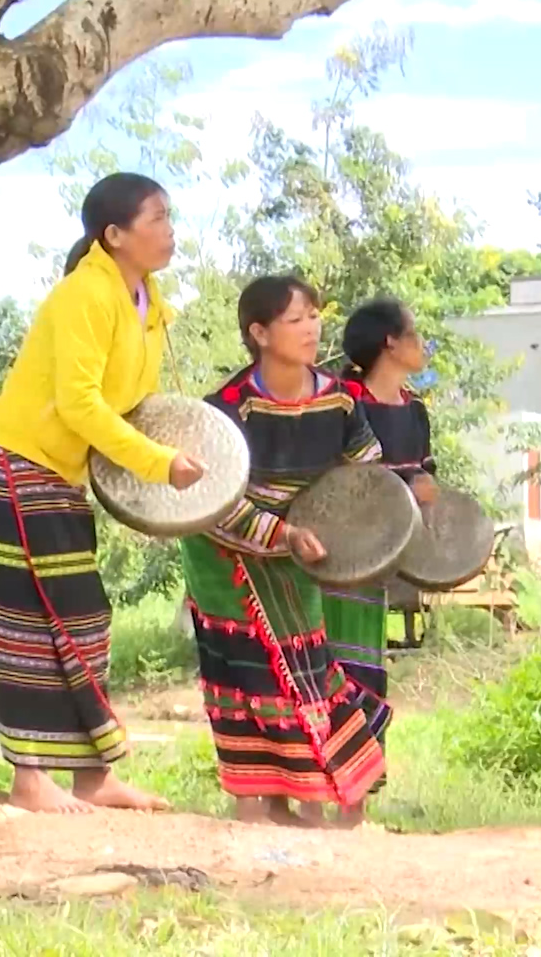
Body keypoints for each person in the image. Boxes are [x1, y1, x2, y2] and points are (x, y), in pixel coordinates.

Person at [0, 173, 205, 815]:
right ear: (115, 235)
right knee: (24, 620)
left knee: (84, 617)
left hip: (58, 473)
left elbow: (131, 404)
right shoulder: (85, 295)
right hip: (13, 462)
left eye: (169, 215)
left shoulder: (145, 301)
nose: (170, 228)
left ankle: (96, 776)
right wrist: (157, 464)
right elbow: (79, 404)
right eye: (156, 218)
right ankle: (29, 776)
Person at [176, 275, 390, 828]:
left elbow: (365, 473)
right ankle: (259, 804)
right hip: (227, 554)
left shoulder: (339, 398)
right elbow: (210, 500)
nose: (311, 328)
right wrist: (280, 535)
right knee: (248, 674)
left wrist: (347, 530)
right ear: (260, 333)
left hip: (298, 552)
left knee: (308, 669)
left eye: (314, 316)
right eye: (296, 319)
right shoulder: (229, 407)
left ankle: (314, 804)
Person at [328, 296, 438, 819]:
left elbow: (424, 471)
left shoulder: (415, 408)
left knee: (366, 670)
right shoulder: (343, 401)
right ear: (390, 342)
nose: (421, 343)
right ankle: (315, 800)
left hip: (382, 562)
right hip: (336, 556)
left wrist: (426, 486)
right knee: (328, 669)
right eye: (414, 332)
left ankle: (355, 810)